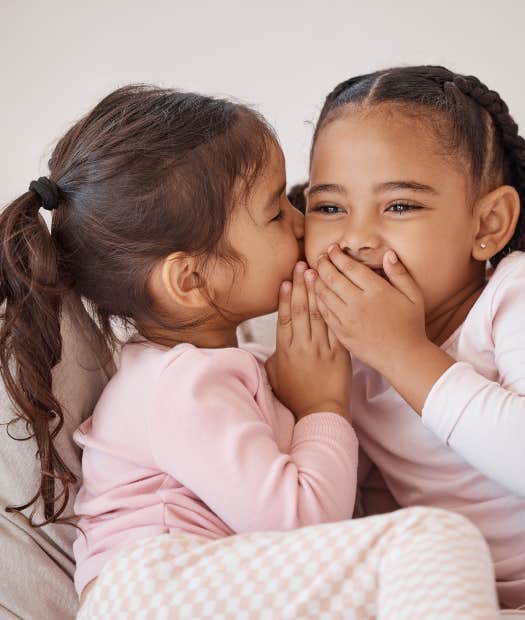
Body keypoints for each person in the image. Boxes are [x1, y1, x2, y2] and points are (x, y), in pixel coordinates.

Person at [0, 83, 499, 619]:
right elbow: (305, 520)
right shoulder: (178, 387)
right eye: (276, 211)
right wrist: (321, 408)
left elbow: (324, 500)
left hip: (211, 581)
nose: (305, 223)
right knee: (433, 542)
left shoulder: (239, 371)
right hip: (152, 592)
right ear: (190, 278)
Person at [302, 65, 525, 612]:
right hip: (505, 602)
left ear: (486, 224)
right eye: (329, 207)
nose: (354, 238)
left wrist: (401, 352)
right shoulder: (347, 350)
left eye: (399, 205)